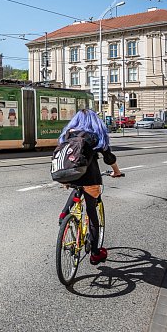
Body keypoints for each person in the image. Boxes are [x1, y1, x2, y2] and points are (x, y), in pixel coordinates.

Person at [57, 109, 125, 265]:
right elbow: (108, 158)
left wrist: (66, 179)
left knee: (77, 187)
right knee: (92, 214)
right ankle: (95, 253)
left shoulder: (68, 134)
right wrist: (116, 171)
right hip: (90, 178)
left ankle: (64, 214)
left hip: (69, 174)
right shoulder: (94, 136)